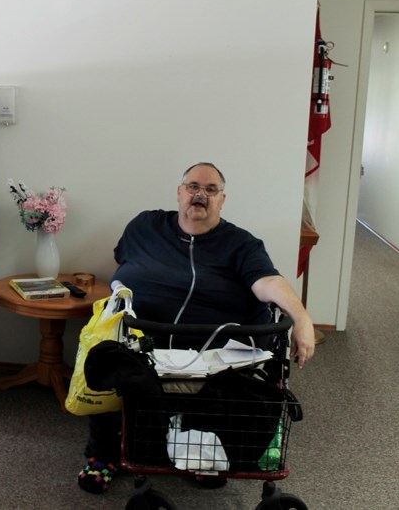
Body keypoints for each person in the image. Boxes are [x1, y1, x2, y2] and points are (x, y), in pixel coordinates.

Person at [77, 162, 315, 495]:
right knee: (106, 356)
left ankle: (206, 452)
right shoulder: (145, 226)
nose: (200, 194)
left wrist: (301, 317)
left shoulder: (241, 244)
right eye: (193, 186)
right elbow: (123, 265)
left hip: (214, 348)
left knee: (229, 388)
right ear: (179, 192)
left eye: (211, 189)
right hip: (146, 339)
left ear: (222, 199)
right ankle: (103, 455)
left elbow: (267, 282)